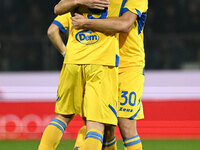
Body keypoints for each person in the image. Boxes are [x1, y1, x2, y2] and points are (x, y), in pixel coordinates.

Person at [38, 0, 127, 150]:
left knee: (62, 117)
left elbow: (55, 16)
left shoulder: (75, 3)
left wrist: (80, 2)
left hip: (73, 61)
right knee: (96, 124)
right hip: (101, 64)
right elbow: (125, 24)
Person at [71, 0, 148, 150]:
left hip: (129, 66)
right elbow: (59, 8)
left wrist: (86, 23)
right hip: (102, 63)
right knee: (105, 126)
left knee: (126, 125)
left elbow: (124, 24)